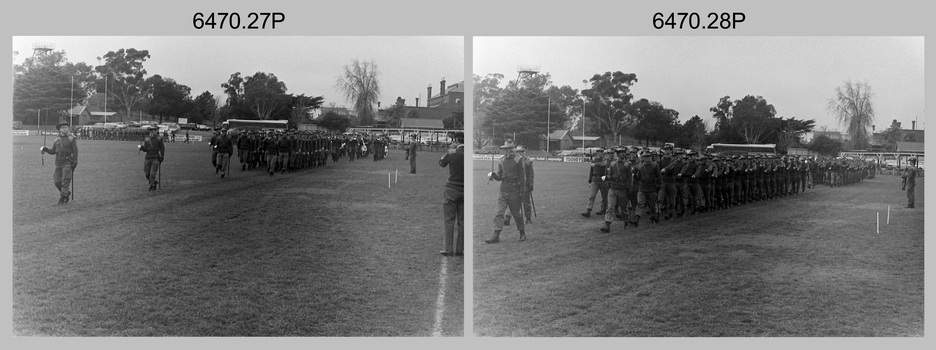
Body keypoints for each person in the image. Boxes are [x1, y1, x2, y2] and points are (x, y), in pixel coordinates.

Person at [485, 139, 527, 243]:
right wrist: (494, 175)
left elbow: (522, 177)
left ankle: (522, 233)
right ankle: (496, 235)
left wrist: (522, 191)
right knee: (499, 212)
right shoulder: (501, 160)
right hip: (503, 189)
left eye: (510, 148)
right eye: (507, 148)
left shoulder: (519, 160)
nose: (509, 150)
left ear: (513, 148)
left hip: (514, 190)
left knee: (516, 214)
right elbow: (500, 177)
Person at [439, 132, 465, 256]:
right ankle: (460, 249)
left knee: (449, 221)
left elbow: (441, 162)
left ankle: (448, 249)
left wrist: (450, 150)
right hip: (464, 191)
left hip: (452, 189)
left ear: (456, 141)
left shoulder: (453, 152)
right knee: (462, 222)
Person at [40, 123, 79, 205]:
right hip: (58, 162)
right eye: (63, 128)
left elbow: (75, 151)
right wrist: (45, 149)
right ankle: (66, 193)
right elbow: (53, 151)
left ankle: (62, 199)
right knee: (57, 181)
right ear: (59, 129)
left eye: (66, 127)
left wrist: (75, 162)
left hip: (67, 162)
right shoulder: (56, 139)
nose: (64, 129)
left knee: (65, 181)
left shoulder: (71, 138)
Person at [601, 147, 635, 232]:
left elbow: (629, 178)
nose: (622, 154)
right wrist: (606, 178)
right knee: (610, 207)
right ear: (618, 154)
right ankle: (607, 224)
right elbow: (610, 175)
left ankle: (626, 221)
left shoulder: (627, 164)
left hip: (622, 189)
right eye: (620, 152)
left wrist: (630, 188)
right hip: (613, 188)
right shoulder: (612, 164)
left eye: (623, 152)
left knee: (624, 207)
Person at [505, 144, 534, 225]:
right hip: (514, 184)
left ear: (524, 152)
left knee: (526, 202)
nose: (519, 153)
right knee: (512, 201)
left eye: (521, 151)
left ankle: (528, 217)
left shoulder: (528, 161)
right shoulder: (514, 160)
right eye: (517, 151)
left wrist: (531, 184)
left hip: (524, 185)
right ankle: (507, 217)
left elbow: (531, 174)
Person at [581, 148, 610, 218]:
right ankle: (588, 210)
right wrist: (590, 178)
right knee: (592, 196)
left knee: (604, 196)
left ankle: (603, 209)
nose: (601, 154)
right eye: (599, 152)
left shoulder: (604, 160)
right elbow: (591, 170)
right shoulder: (594, 160)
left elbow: (603, 164)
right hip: (595, 179)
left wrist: (594, 164)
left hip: (603, 179)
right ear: (597, 153)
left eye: (602, 152)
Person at [138, 126, 165, 191]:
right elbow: (145, 149)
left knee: (152, 173)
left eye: (155, 130)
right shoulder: (147, 139)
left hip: (155, 157)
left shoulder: (159, 138)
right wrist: (141, 147)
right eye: (152, 130)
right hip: (148, 157)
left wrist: (162, 156)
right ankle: (153, 182)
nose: (154, 131)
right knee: (147, 173)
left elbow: (162, 148)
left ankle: (152, 186)